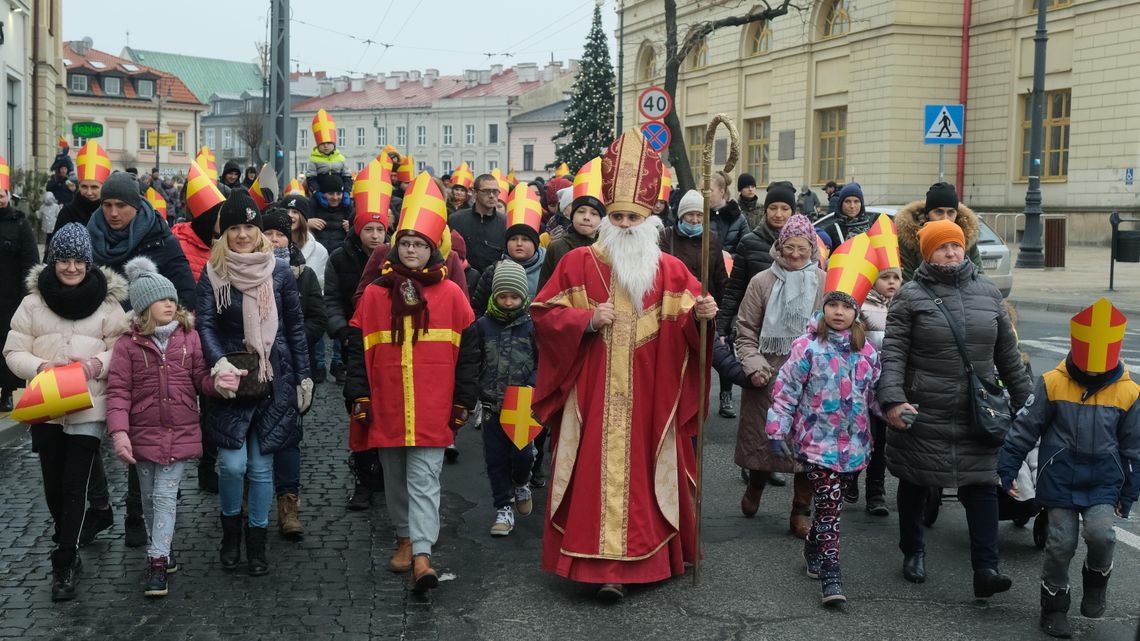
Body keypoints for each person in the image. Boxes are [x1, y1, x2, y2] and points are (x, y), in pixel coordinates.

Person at [531, 129, 719, 603]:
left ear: (651, 217)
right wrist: (585, 319)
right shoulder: (575, 263)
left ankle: (642, 563)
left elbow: (691, 334)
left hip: (650, 400)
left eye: (633, 216)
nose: (625, 223)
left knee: (645, 477)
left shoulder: (672, 271)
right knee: (590, 477)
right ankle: (597, 568)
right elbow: (545, 316)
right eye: (617, 216)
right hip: (591, 394)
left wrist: (703, 319)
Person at [877, 219, 1031, 597]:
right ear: (928, 252)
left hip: (977, 410)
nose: (951, 252)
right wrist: (893, 400)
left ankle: (986, 569)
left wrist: (1028, 404)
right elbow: (893, 354)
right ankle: (913, 550)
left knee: (980, 484)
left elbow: (1008, 357)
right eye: (942, 246)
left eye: (956, 245)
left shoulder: (989, 293)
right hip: (924, 406)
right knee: (915, 480)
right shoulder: (910, 296)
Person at [342, 173, 479, 593]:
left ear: (433, 248)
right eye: (406, 243)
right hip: (386, 404)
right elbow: (355, 349)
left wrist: (464, 400)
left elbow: (469, 353)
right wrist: (358, 395)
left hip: (432, 407)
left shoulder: (453, 295)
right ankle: (403, 535)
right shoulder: (375, 295)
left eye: (420, 244)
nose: (413, 250)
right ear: (395, 247)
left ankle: (422, 553)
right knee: (395, 477)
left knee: (424, 479)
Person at [997, 298, 1139, 638]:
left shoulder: (1129, 393)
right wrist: (1007, 466)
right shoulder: (1052, 383)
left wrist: (1129, 493)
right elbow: (1025, 427)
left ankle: (1096, 578)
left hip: (1103, 481)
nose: (1090, 371)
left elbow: (1134, 447)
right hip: (1060, 478)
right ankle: (1055, 606)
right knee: (1060, 544)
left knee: (1102, 535)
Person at [3, 223, 129, 601]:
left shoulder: (108, 303)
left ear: (88, 263)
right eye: (63, 260)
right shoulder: (32, 302)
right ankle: (67, 542)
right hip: (46, 403)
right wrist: (40, 368)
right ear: (52, 261)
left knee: (76, 483)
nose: (71, 268)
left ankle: (64, 562)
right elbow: (13, 351)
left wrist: (94, 365)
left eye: (78, 261)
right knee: (54, 485)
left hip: (89, 403)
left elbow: (120, 349)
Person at [196, 190, 313, 577]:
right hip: (232, 378)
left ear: (258, 229)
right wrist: (219, 364)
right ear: (224, 232)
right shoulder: (213, 272)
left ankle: (257, 543)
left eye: (248, 226)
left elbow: (295, 327)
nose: (242, 235)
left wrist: (304, 375)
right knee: (231, 465)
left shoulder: (278, 271)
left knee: (262, 469)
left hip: (274, 376)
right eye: (235, 228)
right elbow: (206, 324)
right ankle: (231, 532)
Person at [105, 258, 237, 597]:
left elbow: (199, 380)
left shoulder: (188, 338)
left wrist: (218, 384)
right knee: (148, 497)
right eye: (161, 299)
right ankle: (161, 545)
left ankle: (157, 560)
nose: (170, 304)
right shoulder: (126, 346)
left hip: (179, 432)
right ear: (144, 306)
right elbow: (118, 392)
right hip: (142, 433)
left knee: (165, 496)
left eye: (171, 298)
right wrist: (119, 433)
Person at [86, 170, 198, 549]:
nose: (113, 213)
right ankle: (99, 504)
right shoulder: (89, 234)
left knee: (139, 427)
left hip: (144, 348)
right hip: (97, 348)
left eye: (121, 205)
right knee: (88, 430)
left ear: (136, 206)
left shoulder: (160, 238)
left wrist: (162, 324)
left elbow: (185, 291)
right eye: (107, 205)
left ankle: (137, 508)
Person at [766, 269, 881, 606]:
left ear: (856, 313)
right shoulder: (807, 347)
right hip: (815, 443)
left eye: (846, 307)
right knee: (831, 509)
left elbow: (874, 396)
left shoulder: (868, 353)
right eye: (833, 305)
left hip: (855, 446)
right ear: (823, 310)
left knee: (830, 504)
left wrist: (895, 412)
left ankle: (813, 546)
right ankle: (832, 575)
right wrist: (777, 429)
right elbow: (786, 391)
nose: (839, 312)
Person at [733, 214, 826, 536]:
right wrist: (755, 366)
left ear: (812, 248)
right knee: (765, 442)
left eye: (802, 248)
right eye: (789, 247)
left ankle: (800, 510)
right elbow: (744, 332)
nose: (795, 254)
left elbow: (838, 327)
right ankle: (755, 485)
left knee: (807, 448)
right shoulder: (762, 281)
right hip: (769, 372)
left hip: (813, 377)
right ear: (779, 246)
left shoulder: (824, 282)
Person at [262, 208, 327, 539]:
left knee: (288, 437)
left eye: (280, 234)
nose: (274, 239)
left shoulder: (304, 275)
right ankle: (251, 503)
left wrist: (294, 341)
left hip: (290, 365)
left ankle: (289, 505)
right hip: (255, 367)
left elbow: (318, 317)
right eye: (269, 233)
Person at [326, 204, 388, 509]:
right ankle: (363, 478)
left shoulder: (395, 256)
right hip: (355, 343)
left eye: (380, 229)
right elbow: (332, 300)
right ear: (356, 230)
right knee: (360, 410)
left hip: (388, 345)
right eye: (369, 229)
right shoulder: (340, 258)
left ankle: (387, 475)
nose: (375, 235)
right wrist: (343, 331)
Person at [476, 261, 539, 537]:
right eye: (503, 296)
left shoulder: (533, 326)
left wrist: (533, 385)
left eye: (514, 296)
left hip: (522, 403)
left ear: (523, 296)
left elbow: (543, 360)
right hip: (492, 403)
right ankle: (503, 508)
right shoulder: (482, 326)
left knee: (523, 454)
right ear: (494, 296)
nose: (509, 302)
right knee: (495, 459)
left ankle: (522, 482)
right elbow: (473, 360)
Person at [661, 189, 730, 414]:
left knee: (703, 364)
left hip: (705, 311)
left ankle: (695, 410)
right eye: (690, 215)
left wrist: (723, 318)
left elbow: (720, 279)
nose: (695, 220)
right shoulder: (666, 237)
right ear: (681, 215)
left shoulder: (713, 239)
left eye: (700, 215)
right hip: (674, 312)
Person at [856, 266, 902, 516]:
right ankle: (851, 478)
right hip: (864, 385)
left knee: (881, 439)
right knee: (862, 436)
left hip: (889, 384)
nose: (892, 282)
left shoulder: (904, 305)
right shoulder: (861, 306)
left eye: (896, 278)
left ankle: (876, 493)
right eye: (885, 277)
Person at [470, 190, 546, 317]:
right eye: (514, 239)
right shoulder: (492, 271)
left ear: (535, 244)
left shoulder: (547, 268)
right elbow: (478, 309)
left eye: (525, 239)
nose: (519, 243)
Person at [0, 174, 40, 411]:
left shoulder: (20, 223)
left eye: (1, 195)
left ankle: (7, 391)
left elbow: (30, 261)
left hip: (10, 297)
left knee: (7, 344)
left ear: (8, 195)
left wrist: (26, 295)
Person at [895, 182, 984, 281]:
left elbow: (979, 278)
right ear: (927, 214)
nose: (945, 218)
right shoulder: (909, 242)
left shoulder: (967, 237)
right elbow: (904, 282)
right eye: (939, 212)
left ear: (957, 214)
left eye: (951, 212)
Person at [536, 185, 602, 293]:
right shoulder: (556, 247)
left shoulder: (608, 250)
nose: (586, 217)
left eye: (594, 213)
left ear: (601, 219)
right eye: (581, 211)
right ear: (572, 215)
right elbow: (544, 293)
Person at [449, 173, 508, 281]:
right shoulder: (455, 220)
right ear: (475, 193)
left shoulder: (506, 223)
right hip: (462, 283)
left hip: (492, 285)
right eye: (486, 191)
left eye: (495, 191)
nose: (491, 195)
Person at [52, 141, 110, 243]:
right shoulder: (67, 213)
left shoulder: (111, 213)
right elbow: (54, 250)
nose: (89, 192)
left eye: (94, 187)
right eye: (84, 186)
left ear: (103, 187)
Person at [814, 182, 874, 252]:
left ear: (861, 204)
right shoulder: (832, 230)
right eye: (847, 201)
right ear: (841, 204)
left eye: (856, 201)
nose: (852, 206)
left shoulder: (871, 227)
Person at [308, 173, 353, 254]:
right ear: (322, 194)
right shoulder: (312, 206)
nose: (335, 197)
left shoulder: (349, 208)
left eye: (339, 194)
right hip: (317, 253)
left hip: (340, 255)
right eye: (331, 193)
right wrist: (306, 224)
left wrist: (352, 228)